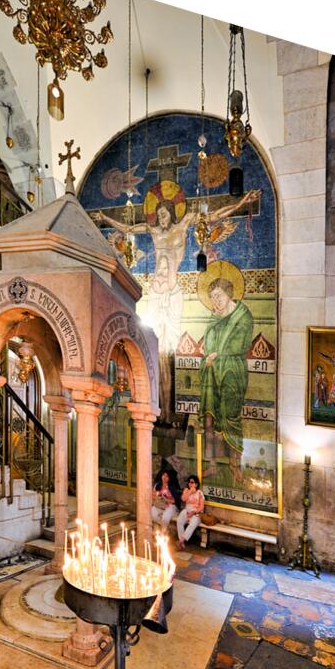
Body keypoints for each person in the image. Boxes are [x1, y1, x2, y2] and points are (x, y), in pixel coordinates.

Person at [94, 189, 260, 423]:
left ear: (172, 213)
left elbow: (212, 216)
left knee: (167, 354)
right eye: (158, 215)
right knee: (153, 350)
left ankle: (167, 409)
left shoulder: (183, 225)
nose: (161, 219)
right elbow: (127, 228)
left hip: (172, 294)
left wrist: (241, 201)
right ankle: (156, 406)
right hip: (155, 292)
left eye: (164, 214)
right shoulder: (152, 230)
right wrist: (104, 219)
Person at [199, 267, 253, 484]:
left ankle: (234, 464)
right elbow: (208, 343)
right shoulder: (214, 318)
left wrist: (216, 354)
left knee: (231, 417)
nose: (215, 301)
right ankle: (212, 463)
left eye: (218, 296)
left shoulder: (243, 316)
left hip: (232, 371)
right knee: (210, 419)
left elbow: (241, 345)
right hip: (211, 372)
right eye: (212, 297)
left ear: (229, 294)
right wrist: (208, 357)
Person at [176, 474, 204, 548]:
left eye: (192, 482)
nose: (190, 484)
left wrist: (194, 512)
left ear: (196, 484)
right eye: (189, 482)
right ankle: (181, 542)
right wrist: (190, 492)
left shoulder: (200, 493)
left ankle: (181, 541)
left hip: (196, 513)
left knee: (192, 524)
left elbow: (201, 507)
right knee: (179, 521)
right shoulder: (186, 490)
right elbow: (183, 499)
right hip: (187, 510)